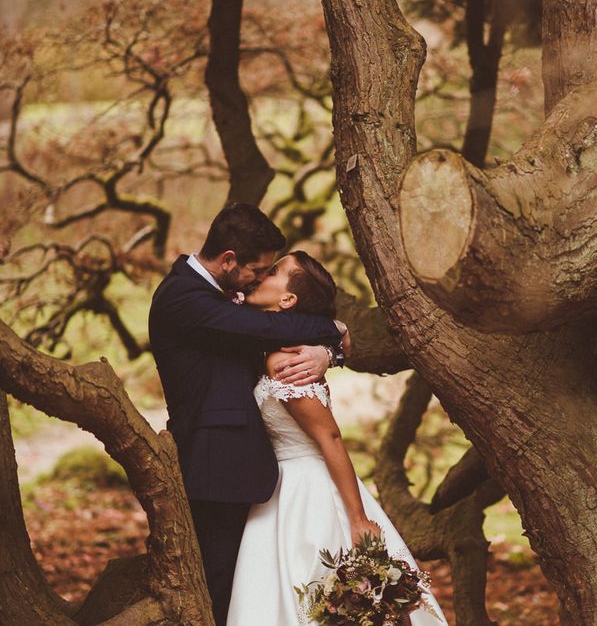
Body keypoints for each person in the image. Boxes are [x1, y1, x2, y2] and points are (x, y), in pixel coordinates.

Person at [148, 204, 349, 626]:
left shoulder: (220, 296)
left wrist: (325, 353)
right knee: (219, 587)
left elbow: (272, 331)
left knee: (249, 590)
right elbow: (269, 330)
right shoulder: (182, 296)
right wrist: (332, 333)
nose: (260, 279)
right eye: (257, 270)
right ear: (227, 260)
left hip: (246, 468)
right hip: (213, 465)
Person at [226, 250, 447, 625]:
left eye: (275, 271)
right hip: (281, 491)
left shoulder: (288, 363)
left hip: (309, 496)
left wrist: (357, 518)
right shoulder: (282, 350)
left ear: (287, 299)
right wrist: (335, 343)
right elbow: (338, 335)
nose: (263, 273)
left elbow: (330, 438)